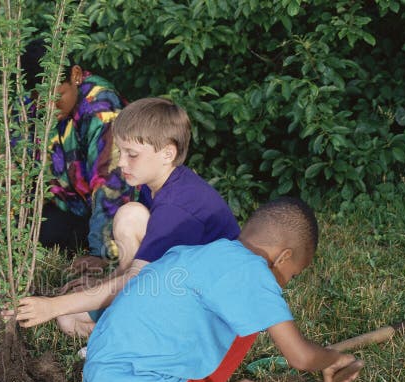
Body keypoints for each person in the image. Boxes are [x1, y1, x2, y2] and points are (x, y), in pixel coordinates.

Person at [19, 197, 364, 382]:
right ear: (283, 256)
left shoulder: (205, 253)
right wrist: (333, 358)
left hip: (113, 368)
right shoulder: (254, 273)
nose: (286, 283)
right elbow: (301, 357)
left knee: (248, 323)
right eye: (293, 274)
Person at [14, 97, 239, 337]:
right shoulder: (155, 185)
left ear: (167, 153)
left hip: (208, 310)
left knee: (67, 308)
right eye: (120, 151)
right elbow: (143, 266)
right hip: (173, 286)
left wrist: (52, 305)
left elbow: (138, 278)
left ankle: (141, 335)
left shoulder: (177, 206)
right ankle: (131, 329)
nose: (121, 162)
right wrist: (99, 288)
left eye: (131, 154)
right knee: (69, 319)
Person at [20, 39, 138, 273]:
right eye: (40, 101)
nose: (49, 108)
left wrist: (101, 253)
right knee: (28, 235)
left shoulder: (101, 109)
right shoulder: (34, 101)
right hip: (70, 205)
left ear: (75, 75)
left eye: (57, 97)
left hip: (113, 210)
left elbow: (111, 184)